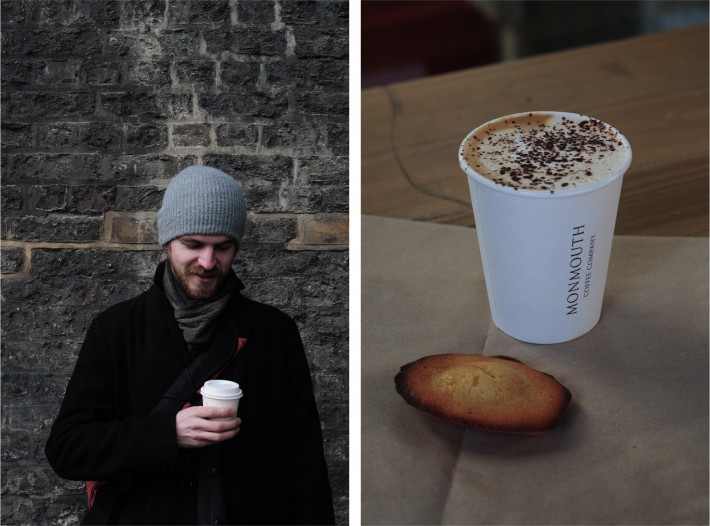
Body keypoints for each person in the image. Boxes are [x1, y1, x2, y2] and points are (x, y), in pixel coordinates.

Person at [45, 165, 336, 525]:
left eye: (222, 247)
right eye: (193, 245)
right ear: (168, 241)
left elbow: (304, 462)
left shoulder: (274, 332)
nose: (208, 262)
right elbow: (67, 449)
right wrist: (167, 433)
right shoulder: (116, 329)